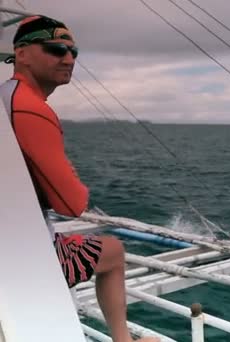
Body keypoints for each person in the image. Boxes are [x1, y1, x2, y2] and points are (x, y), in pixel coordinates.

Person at [0, 15, 159, 342]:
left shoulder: (6, 93)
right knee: (113, 252)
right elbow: (73, 204)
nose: (69, 58)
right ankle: (123, 340)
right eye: (56, 49)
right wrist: (70, 174)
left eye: (74, 52)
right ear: (23, 53)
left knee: (110, 250)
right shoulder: (30, 108)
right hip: (27, 256)